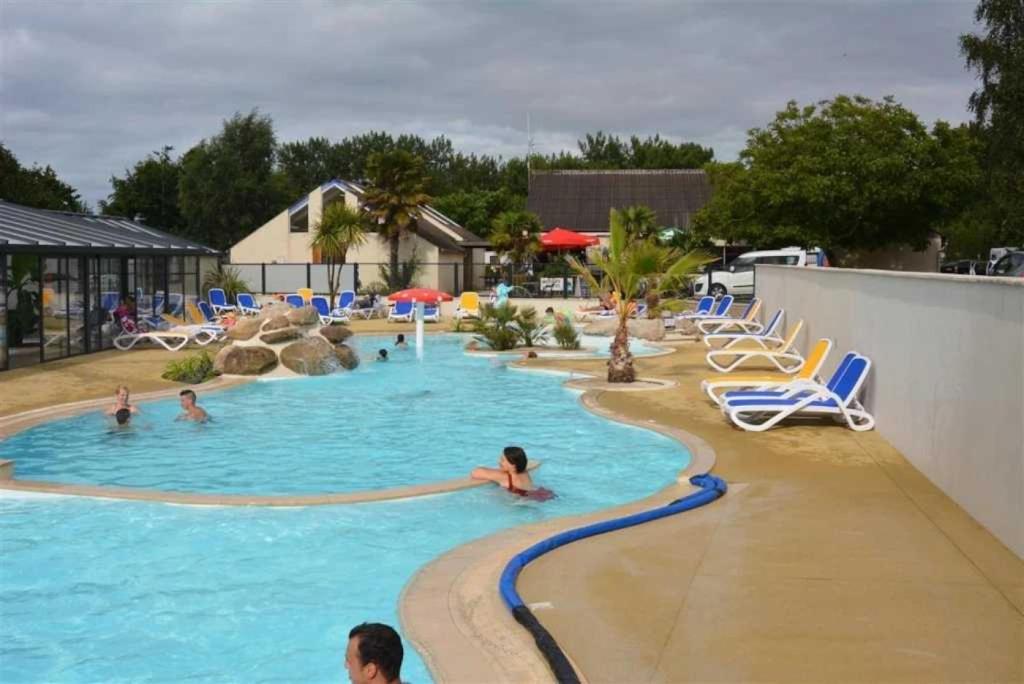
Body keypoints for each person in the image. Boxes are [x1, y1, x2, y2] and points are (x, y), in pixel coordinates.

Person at [471, 446, 554, 501]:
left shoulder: (506, 477)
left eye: (503, 460)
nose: (499, 462)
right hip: (536, 495)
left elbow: (475, 472)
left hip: (522, 501)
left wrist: (498, 472)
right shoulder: (524, 471)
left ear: (513, 465)